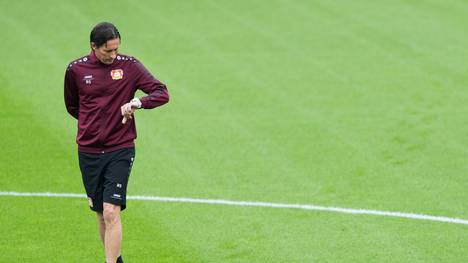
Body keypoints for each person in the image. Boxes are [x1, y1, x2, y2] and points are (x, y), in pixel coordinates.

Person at [64, 22, 169, 263]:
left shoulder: (129, 66)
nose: (113, 55)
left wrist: (137, 103)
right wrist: (93, 124)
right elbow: (72, 106)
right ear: (94, 46)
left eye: (116, 49)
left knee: (112, 210)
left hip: (120, 148)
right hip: (88, 150)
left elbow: (161, 92)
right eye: (108, 51)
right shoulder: (76, 70)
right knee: (101, 213)